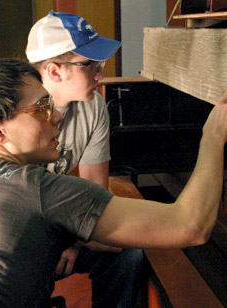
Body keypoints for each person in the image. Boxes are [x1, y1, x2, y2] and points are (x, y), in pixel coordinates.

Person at [0, 58, 227, 307]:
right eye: (42, 108)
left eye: (50, 103)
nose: (58, 116)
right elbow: (190, 225)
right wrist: (213, 136)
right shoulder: (42, 191)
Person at [26, 11, 143, 308]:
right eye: (90, 64)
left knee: (128, 253)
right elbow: (14, 211)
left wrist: (77, 241)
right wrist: (66, 239)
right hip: (19, 235)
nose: (100, 74)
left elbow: (95, 193)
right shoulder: (16, 114)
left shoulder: (93, 107)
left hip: (63, 231)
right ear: (54, 71)